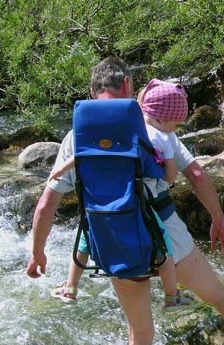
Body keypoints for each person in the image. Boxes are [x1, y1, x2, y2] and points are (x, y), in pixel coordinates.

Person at [26, 56, 224, 345]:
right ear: (128, 87)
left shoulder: (76, 137)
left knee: (140, 337)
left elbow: (45, 204)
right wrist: (219, 221)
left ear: (91, 90)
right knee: (220, 297)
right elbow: (197, 175)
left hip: (116, 239)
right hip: (168, 238)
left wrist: (38, 252)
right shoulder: (151, 129)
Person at [47, 98, 195, 313]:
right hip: (133, 204)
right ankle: (172, 296)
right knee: (165, 247)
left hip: (96, 207)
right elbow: (168, 178)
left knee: (84, 240)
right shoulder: (144, 141)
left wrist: (60, 170)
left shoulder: (90, 145)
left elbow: (80, 158)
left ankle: (70, 287)